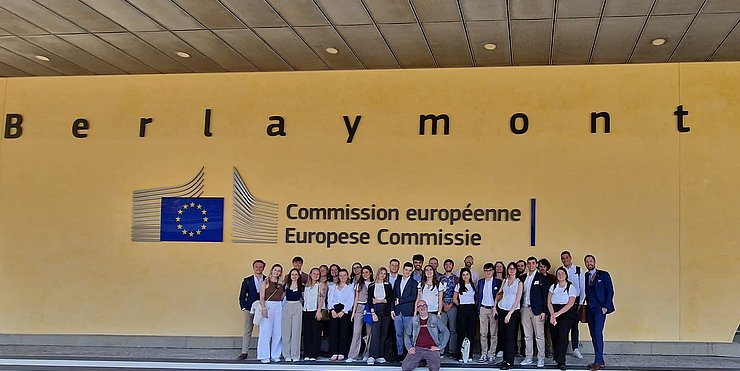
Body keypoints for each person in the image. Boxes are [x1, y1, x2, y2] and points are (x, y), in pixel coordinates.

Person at [584, 254, 615, 371]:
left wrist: (606, 307)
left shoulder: (604, 274)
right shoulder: (585, 275)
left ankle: (597, 361)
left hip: (600, 309)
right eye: (587, 262)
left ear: (594, 262)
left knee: (597, 333)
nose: (589, 263)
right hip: (590, 309)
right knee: (593, 334)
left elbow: (610, 291)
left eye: (590, 261)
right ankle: (600, 359)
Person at [401, 299, 450, 371]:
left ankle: (424, 360)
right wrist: (409, 347)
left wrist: (440, 347)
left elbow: (446, 332)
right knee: (405, 367)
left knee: (434, 368)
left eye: (424, 305)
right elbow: (407, 334)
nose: (422, 308)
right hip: (417, 348)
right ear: (417, 309)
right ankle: (422, 360)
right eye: (420, 306)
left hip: (432, 349)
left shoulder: (435, 318)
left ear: (427, 307)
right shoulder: (413, 320)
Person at [520, 256, 548, 368]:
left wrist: (544, 311)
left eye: (533, 263)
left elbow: (545, 296)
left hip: (537, 310)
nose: (531, 265)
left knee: (539, 335)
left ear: (536, 265)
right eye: (529, 263)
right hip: (525, 309)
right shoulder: (522, 278)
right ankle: (529, 357)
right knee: (527, 335)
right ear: (527, 265)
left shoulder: (542, 278)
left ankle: (541, 358)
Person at [548, 267, 578, 370]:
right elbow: (549, 302)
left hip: (566, 313)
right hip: (553, 312)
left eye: (562, 273)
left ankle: (561, 361)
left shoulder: (571, 287)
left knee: (562, 335)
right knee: (554, 335)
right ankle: (557, 358)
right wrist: (552, 314)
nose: (560, 275)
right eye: (558, 273)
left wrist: (558, 313)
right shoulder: (553, 286)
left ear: (566, 275)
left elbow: (570, 303)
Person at [496, 262, 523, 370]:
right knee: (502, 335)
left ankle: (509, 361)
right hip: (502, 310)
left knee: (510, 337)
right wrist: (494, 307)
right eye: (510, 268)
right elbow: (499, 293)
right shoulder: (505, 281)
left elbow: (517, 300)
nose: (511, 270)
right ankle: (504, 360)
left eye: (513, 268)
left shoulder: (519, 283)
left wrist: (510, 314)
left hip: (512, 312)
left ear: (516, 270)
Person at [560, 250, 586, 359]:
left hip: (575, 301)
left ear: (570, 258)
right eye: (563, 258)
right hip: (562, 302)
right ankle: (562, 349)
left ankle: (575, 348)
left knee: (575, 326)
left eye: (567, 257)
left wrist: (581, 303)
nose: (565, 260)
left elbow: (583, 288)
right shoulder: (560, 271)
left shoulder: (579, 270)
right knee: (563, 327)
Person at [237, 259, 265, 360]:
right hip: (249, 308)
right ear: (253, 268)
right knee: (247, 330)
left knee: (263, 331)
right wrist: (244, 307)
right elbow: (242, 295)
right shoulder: (247, 280)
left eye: (260, 267)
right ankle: (244, 352)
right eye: (256, 266)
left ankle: (262, 352)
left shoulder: (267, 279)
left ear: (263, 268)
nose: (258, 268)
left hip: (262, 309)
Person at [257, 264, 285, 363]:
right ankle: (264, 355)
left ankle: (275, 354)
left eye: (279, 271)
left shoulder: (281, 283)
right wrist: (264, 308)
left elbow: (282, 296)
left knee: (278, 331)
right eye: (275, 270)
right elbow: (261, 297)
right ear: (271, 271)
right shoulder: (265, 282)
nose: (277, 272)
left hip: (278, 306)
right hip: (268, 305)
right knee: (265, 331)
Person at [367, 266, 395, 365]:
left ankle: (380, 355)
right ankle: (372, 355)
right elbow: (370, 300)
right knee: (375, 333)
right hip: (375, 310)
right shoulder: (371, 285)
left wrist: (379, 300)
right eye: (381, 273)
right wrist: (373, 312)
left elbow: (389, 299)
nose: (382, 275)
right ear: (378, 273)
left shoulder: (388, 285)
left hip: (386, 311)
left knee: (384, 334)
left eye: (384, 273)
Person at [477, 262, 502, 363]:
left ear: (493, 271)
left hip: (493, 309)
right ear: (484, 271)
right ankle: (484, 354)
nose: (488, 272)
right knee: (483, 333)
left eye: (490, 270)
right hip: (483, 308)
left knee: (493, 334)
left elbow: (500, 296)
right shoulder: (480, 282)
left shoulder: (498, 282)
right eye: (486, 270)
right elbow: (478, 296)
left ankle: (492, 354)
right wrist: (478, 309)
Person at [347, 265, 373, 362]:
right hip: (359, 307)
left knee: (369, 332)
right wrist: (353, 312)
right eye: (363, 273)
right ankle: (353, 355)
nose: (365, 274)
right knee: (356, 331)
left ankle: (367, 353)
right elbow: (356, 298)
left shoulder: (373, 284)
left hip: (369, 308)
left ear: (370, 273)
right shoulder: (359, 284)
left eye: (367, 272)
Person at [392, 262, 418, 358]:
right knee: (398, 333)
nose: (407, 272)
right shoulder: (397, 281)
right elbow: (393, 296)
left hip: (408, 312)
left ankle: (408, 353)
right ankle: (399, 353)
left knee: (408, 334)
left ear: (412, 272)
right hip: (397, 311)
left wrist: (400, 301)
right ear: (403, 269)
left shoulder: (414, 283)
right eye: (406, 269)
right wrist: (392, 310)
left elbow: (413, 297)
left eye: (410, 270)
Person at [328, 268, 354, 361]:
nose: (342, 277)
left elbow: (351, 300)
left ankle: (342, 352)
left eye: (344, 275)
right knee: (333, 332)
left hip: (345, 311)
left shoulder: (350, 287)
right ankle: (334, 352)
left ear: (347, 276)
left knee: (344, 332)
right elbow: (329, 299)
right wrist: (331, 310)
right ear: (338, 276)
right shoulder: (333, 287)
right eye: (341, 275)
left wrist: (344, 311)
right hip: (334, 310)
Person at [302, 267, 326, 361]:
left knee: (316, 333)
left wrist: (319, 310)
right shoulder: (306, 286)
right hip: (306, 311)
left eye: (318, 274)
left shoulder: (321, 285)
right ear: (310, 274)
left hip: (316, 311)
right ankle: (307, 353)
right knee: (307, 333)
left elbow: (322, 298)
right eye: (314, 273)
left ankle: (314, 354)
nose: (316, 275)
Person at [453, 267, 476, 362]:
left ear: (470, 275)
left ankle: (469, 354)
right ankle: (459, 355)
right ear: (461, 276)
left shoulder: (473, 285)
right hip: (462, 309)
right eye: (463, 275)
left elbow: (475, 297)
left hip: (472, 309)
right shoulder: (458, 286)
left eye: (467, 274)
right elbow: (454, 299)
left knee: (471, 333)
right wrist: (461, 306)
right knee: (461, 332)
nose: (465, 276)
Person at [282, 268, 304, 362]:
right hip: (287, 305)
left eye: (296, 274)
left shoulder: (301, 286)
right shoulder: (285, 286)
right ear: (290, 276)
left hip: (297, 306)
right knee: (286, 331)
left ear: (299, 276)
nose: (294, 276)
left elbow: (304, 298)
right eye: (292, 274)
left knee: (296, 331)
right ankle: (286, 354)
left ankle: (295, 354)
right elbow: (282, 297)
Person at [439, 259, 458, 358]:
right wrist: (442, 304)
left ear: (452, 266)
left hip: (452, 306)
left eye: (450, 264)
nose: (448, 266)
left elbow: (458, 294)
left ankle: (452, 351)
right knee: (442, 329)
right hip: (442, 307)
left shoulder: (456, 279)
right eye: (446, 264)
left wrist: (450, 304)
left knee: (453, 329)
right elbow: (437, 293)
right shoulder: (440, 278)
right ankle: (441, 350)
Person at [538, 258, 557, 357]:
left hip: (550, 307)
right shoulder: (535, 277)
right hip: (538, 308)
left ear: (547, 267)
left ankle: (550, 350)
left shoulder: (552, 278)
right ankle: (539, 350)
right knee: (539, 330)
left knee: (549, 330)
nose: (542, 268)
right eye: (540, 266)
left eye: (544, 266)